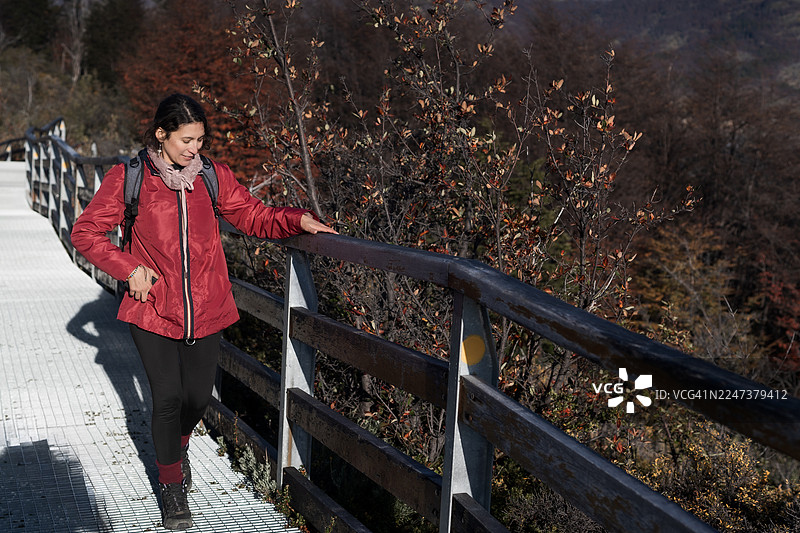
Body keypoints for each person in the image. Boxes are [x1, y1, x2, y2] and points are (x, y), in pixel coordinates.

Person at [71, 93, 337, 530]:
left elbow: (251, 215)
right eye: (186, 139)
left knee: (196, 400)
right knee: (168, 397)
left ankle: (177, 449)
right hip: (152, 307)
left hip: (208, 306)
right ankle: (172, 486)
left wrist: (296, 219)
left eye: (200, 140)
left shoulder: (212, 176)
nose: (195, 148)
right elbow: (87, 231)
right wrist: (129, 268)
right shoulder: (129, 177)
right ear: (162, 135)